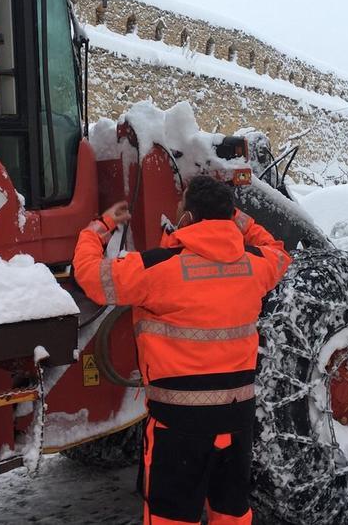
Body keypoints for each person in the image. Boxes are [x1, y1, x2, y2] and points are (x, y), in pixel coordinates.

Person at [73, 175, 292, 525]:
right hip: (237, 418)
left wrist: (102, 226)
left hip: (178, 424)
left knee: (171, 518)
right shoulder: (255, 265)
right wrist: (236, 218)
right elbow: (279, 250)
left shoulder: (158, 267)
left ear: (188, 219)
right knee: (231, 513)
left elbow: (91, 276)